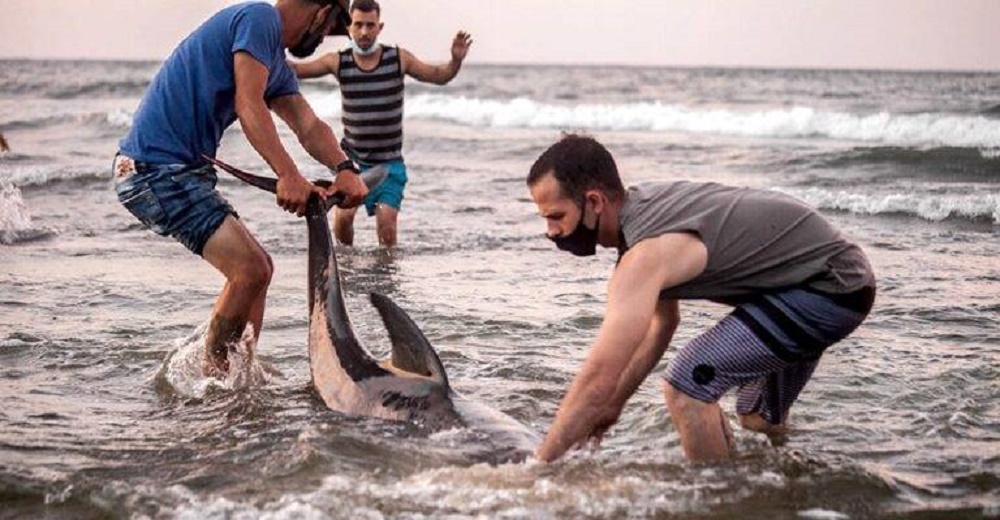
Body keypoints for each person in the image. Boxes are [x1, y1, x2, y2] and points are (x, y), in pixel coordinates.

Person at [527, 134, 876, 463]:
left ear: (593, 201)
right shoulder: (641, 215)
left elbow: (597, 380)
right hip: (815, 278)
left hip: (829, 287)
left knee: (687, 386)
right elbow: (662, 324)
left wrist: (538, 467)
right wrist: (614, 405)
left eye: (557, 217)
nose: (551, 232)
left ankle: (718, 503)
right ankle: (783, 489)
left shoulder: (645, 255)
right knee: (757, 418)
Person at [114, 0, 368, 376]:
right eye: (332, 26)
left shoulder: (274, 60)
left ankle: (239, 373)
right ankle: (213, 377)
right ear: (321, 11)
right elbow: (249, 105)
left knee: (259, 270)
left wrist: (345, 168)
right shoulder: (258, 19)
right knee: (249, 270)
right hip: (155, 169)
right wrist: (288, 175)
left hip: (179, 172)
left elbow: (307, 124)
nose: (324, 38)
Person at [290, 0, 473, 247]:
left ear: (380, 27)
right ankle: (347, 271)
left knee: (386, 225)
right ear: (349, 27)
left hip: (389, 164)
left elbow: (439, 77)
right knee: (342, 221)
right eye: (358, 25)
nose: (364, 32)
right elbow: (297, 70)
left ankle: (385, 279)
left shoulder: (398, 58)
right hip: (352, 165)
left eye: (370, 25)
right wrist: (273, 43)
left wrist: (455, 62)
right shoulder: (338, 61)